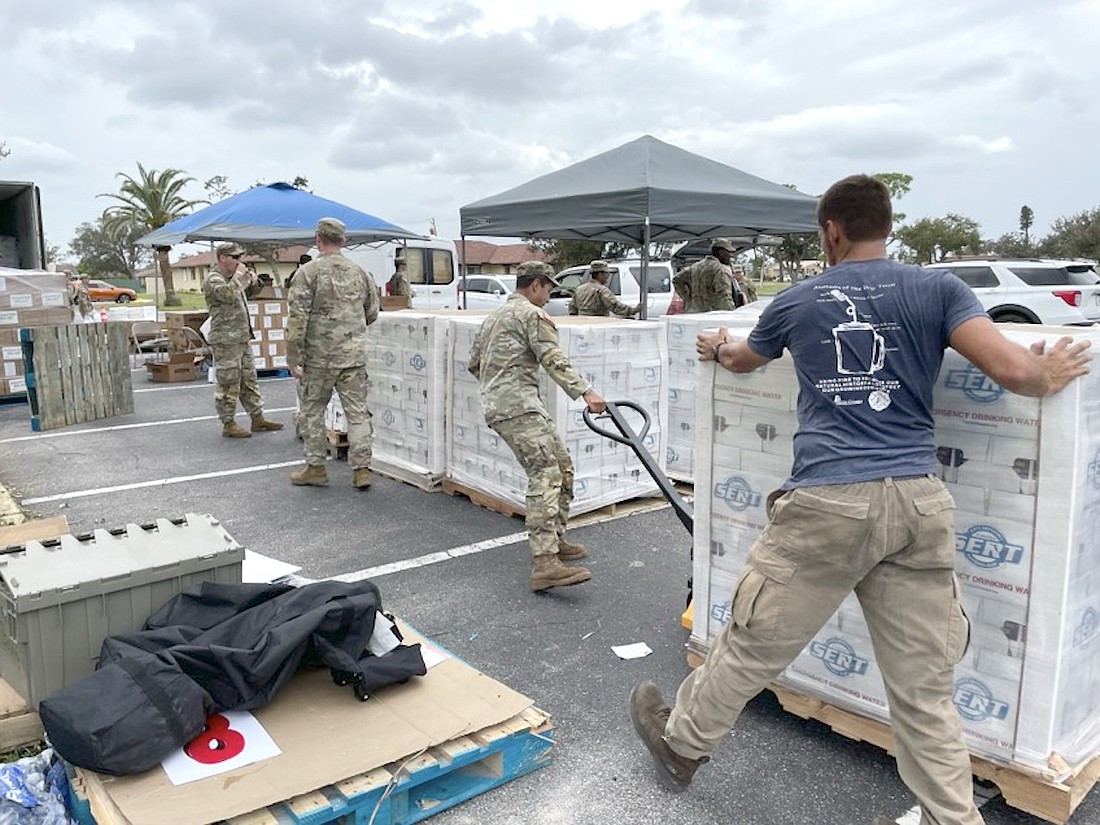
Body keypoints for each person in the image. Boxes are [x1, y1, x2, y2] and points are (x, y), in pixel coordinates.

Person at [628, 175, 1091, 825]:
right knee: (924, 693)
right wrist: (1049, 371)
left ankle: (682, 744)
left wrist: (715, 346)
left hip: (828, 504)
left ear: (831, 231)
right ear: (888, 226)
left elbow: (742, 359)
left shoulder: (799, 298)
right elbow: (1014, 369)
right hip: (919, 506)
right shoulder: (939, 288)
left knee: (751, 643)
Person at [468, 260, 608, 592]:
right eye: (547, 290)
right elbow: (553, 358)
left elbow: (474, 363)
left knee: (562, 466)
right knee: (546, 474)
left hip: (509, 405)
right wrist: (586, 391)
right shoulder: (532, 315)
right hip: (519, 407)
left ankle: (555, 541)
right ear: (535, 286)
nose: (548, 297)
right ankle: (545, 564)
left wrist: (499, 386)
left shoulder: (492, 318)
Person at [286, 217, 380, 489]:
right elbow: (372, 313)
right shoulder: (361, 273)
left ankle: (315, 467)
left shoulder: (307, 273)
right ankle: (361, 470)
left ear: (318, 238)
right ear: (343, 241)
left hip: (319, 360)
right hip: (352, 357)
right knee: (358, 414)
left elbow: (297, 321)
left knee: (312, 411)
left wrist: (293, 358)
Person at [202, 243, 284, 439]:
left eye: (240, 257)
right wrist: (240, 276)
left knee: (249, 379)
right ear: (222, 258)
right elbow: (229, 295)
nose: (239, 261)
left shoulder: (234, 279)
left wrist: (253, 281)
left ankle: (257, 417)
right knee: (228, 382)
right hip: (225, 340)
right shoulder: (214, 279)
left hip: (241, 337)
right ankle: (228, 422)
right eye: (234, 257)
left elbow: (249, 293)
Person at [672, 238, 742, 312]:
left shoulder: (695, 267)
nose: (731, 256)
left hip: (694, 312)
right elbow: (724, 297)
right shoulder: (720, 270)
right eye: (728, 252)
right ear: (720, 252)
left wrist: (687, 299)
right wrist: (731, 314)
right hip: (713, 315)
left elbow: (677, 279)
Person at [568, 260, 642, 317]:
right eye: (607, 273)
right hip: (598, 326)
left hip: (582, 327)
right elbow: (615, 307)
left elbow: (572, 309)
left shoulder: (579, 289)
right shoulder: (601, 290)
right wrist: (634, 310)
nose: (608, 276)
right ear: (600, 274)